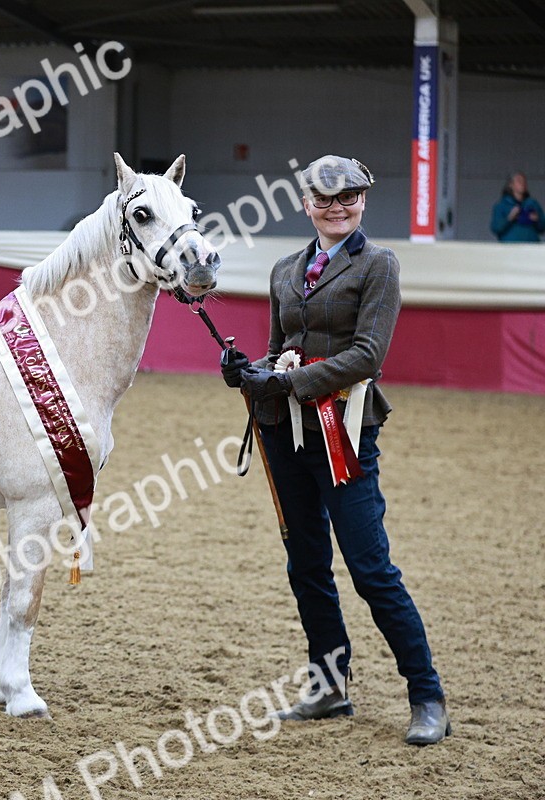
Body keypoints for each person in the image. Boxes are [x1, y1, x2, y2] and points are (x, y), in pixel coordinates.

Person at [220, 155, 450, 746]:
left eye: (348, 197)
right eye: (324, 199)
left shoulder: (378, 265)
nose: (336, 206)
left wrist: (289, 381)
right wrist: (248, 372)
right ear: (306, 205)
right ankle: (330, 685)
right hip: (283, 434)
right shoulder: (283, 270)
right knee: (307, 566)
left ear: (363, 201)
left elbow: (369, 356)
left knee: (371, 569)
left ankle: (427, 695)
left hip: (343, 433)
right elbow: (279, 349)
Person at [490, 172, 545, 242]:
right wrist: (510, 218)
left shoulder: (533, 204)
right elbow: (496, 228)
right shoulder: (501, 205)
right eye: (519, 181)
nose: (523, 184)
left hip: (531, 247)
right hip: (511, 248)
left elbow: (542, 228)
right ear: (511, 185)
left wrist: (537, 220)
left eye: (524, 181)